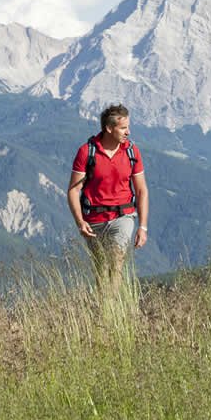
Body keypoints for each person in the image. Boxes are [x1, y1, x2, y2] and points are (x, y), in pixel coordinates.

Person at [66, 104, 149, 295]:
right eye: (123, 128)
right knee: (101, 268)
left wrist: (142, 227)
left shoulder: (132, 152)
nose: (128, 132)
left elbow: (141, 190)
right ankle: (104, 307)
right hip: (94, 219)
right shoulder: (87, 152)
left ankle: (112, 306)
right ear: (109, 128)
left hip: (123, 216)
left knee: (116, 261)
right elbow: (73, 190)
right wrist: (80, 222)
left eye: (128, 127)